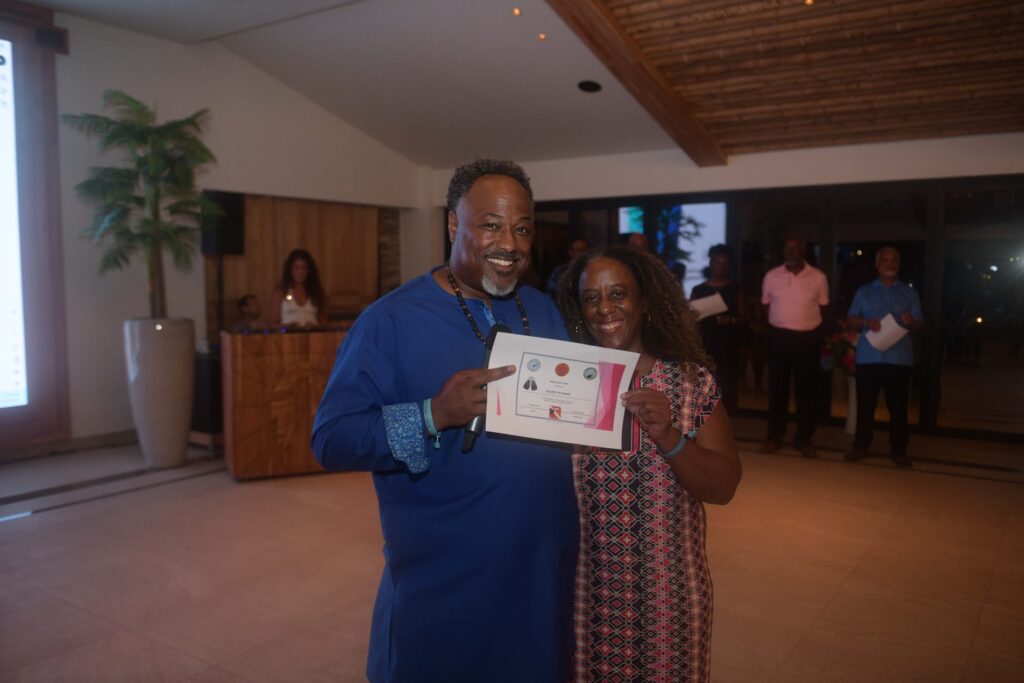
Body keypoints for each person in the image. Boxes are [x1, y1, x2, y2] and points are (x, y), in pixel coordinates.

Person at [311, 159, 578, 682]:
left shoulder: (543, 310)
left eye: (523, 228)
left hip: (540, 571)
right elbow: (332, 439)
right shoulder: (389, 321)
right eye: (491, 225)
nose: (510, 243)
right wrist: (433, 414)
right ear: (454, 225)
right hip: (447, 578)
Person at [557, 245, 741, 682]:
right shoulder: (563, 387)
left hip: (668, 597)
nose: (605, 308)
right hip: (583, 595)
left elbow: (723, 487)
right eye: (591, 298)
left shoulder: (690, 383)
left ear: (645, 300)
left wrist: (669, 436)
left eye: (619, 293)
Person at [844, 247, 923, 468]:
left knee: (898, 407)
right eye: (885, 261)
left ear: (899, 264)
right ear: (877, 265)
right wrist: (866, 323)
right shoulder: (864, 291)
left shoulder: (909, 293)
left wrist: (911, 321)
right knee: (865, 405)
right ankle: (861, 445)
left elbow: (919, 324)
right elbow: (850, 319)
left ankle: (899, 450)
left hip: (899, 358)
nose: (890, 264)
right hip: (869, 356)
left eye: (894, 260)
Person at [760, 238, 829, 458]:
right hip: (779, 337)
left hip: (808, 338)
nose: (791, 252)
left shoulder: (818, 277)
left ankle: (804, 438)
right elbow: (766, 305)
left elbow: (823, 307)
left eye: (796, 248)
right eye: (788, 248)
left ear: (803, 251)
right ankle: (774, 436)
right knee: (777, 389)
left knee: (807, 391)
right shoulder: (771, 276)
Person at [691, 244, 746, 413]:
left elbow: (745, 319)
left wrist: (730, 320)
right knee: (704, 382)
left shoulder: (735, 289)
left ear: (728, 265)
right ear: (710, 263)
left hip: (728, 344)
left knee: (727, 382)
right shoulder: (699, 290)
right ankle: (704, 418)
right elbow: (690, 317)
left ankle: (727, 416)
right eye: (717, 262)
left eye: (724, 263)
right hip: (705, 343)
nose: (720, 267)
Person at [269, 248, 328, 328]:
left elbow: (323, 322)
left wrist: (314, 326)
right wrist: (288, 327)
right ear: (290, 269)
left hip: (313, 334)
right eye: (296, 268)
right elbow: (272, 324)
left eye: (304, 268)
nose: (300, 272)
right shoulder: (280, 292)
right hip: (287, 334)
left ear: (309, 270)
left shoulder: (317, 292)